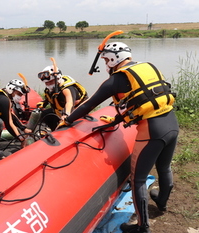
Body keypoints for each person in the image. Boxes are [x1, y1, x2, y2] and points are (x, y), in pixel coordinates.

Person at [59, 42, 178, 233]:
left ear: (115, 58)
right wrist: (116, 119)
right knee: (164, 166)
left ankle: (142, 227)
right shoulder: (146, 67)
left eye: (106, 59)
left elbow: (88, 105)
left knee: (138, 180)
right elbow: (144, 99)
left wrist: (67, 119)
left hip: (152, 131)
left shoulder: (116, 80)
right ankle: (162, 202)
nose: (106, 63)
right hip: (172, 123)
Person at [36, 65, 88, 131]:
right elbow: (52, 98)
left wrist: (65, 115)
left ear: (57, 79)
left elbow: (69, 102)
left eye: (51, 82)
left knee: (64, 126)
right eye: (47, 83)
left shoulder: (67, 88)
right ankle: (53, 131)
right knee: (43, 115)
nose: (49, 85)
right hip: (59, 111)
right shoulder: (51, 89)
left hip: (75, 113)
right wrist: (44, 103)